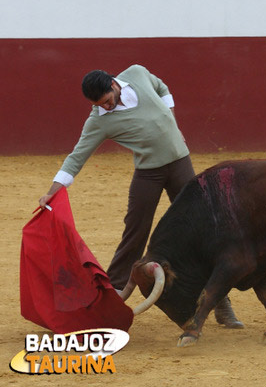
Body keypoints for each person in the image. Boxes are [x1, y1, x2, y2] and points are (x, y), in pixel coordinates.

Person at [38, 64, 243, 328]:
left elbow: (162, 88)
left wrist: (172, 121)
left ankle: (220, 302)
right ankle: (109, 301)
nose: (106, 108)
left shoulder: (136, 73)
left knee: (202, 229)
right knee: (135, 232)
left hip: (180, 164)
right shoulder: (99, 120)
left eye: (108, 102)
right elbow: (77, 156)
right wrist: (53, 190)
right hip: (148, 173)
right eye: (101, 105)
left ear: (114, 84)